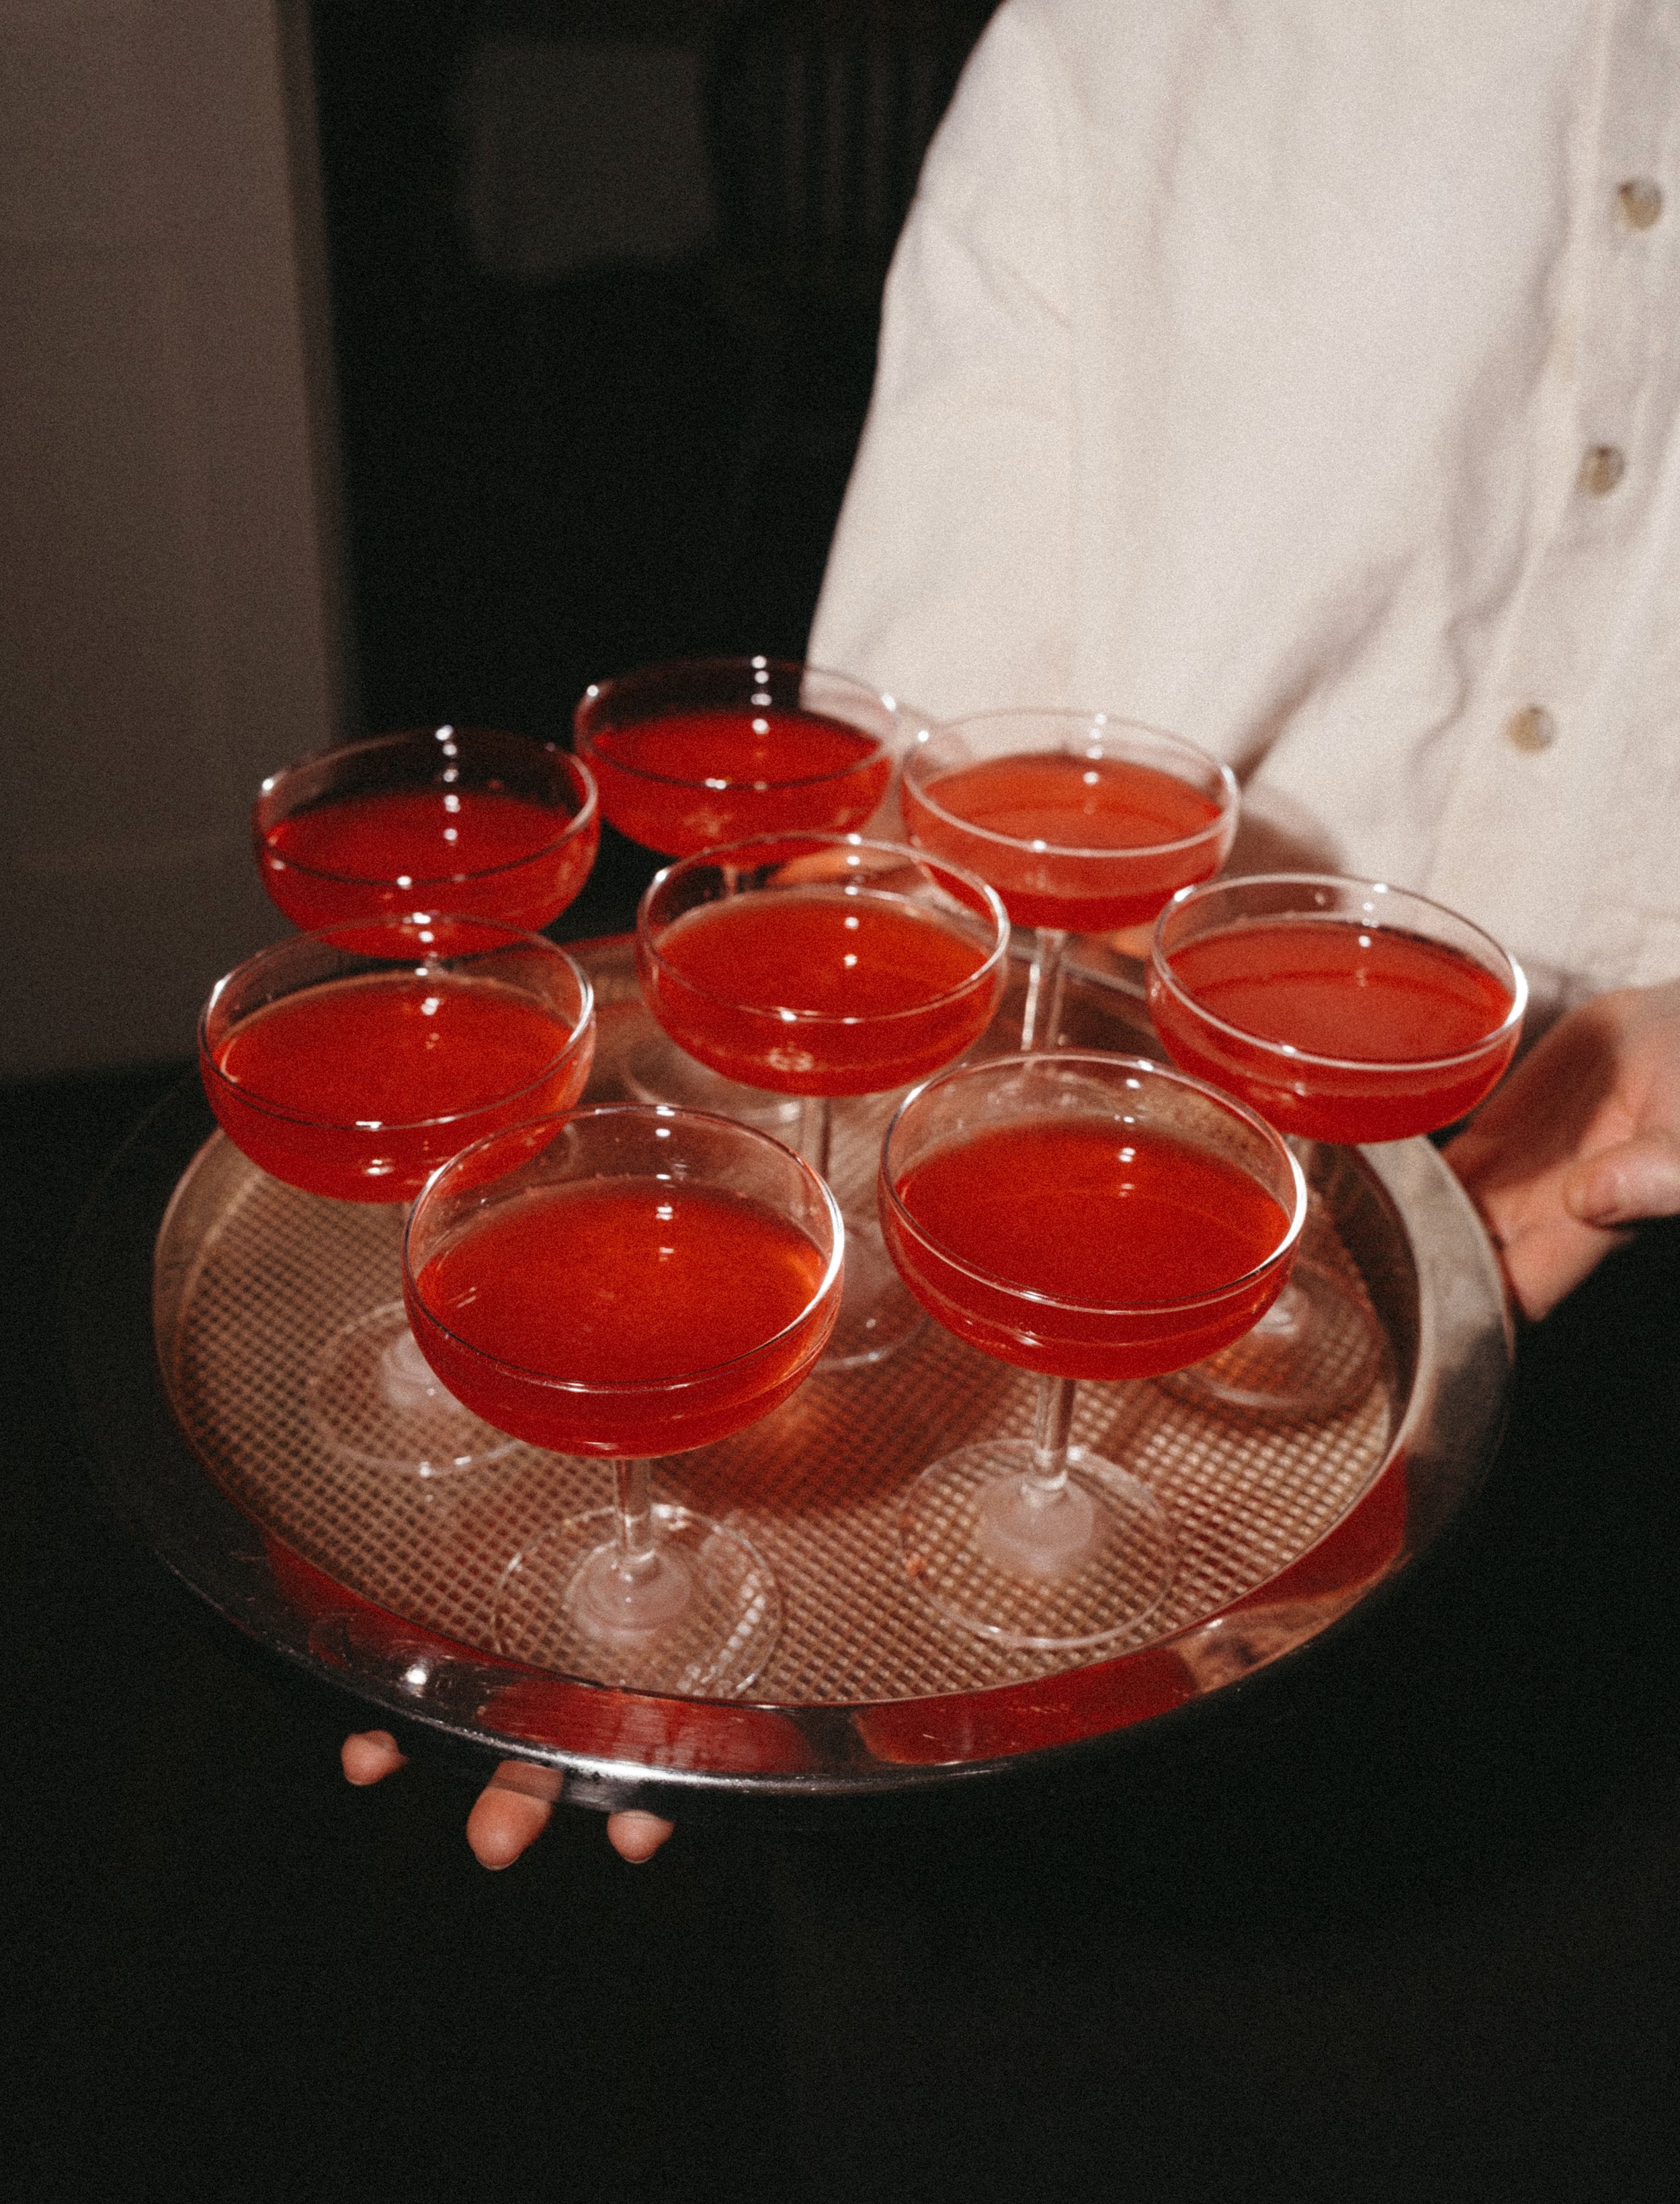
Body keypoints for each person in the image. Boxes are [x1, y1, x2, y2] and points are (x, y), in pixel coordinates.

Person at [345, 0, 1680, 1871]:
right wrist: (675, 1373)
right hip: (1098, 1140)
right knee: (1005, 2023)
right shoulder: (1114, 38)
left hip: (1627, 1321)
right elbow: (908, 787)